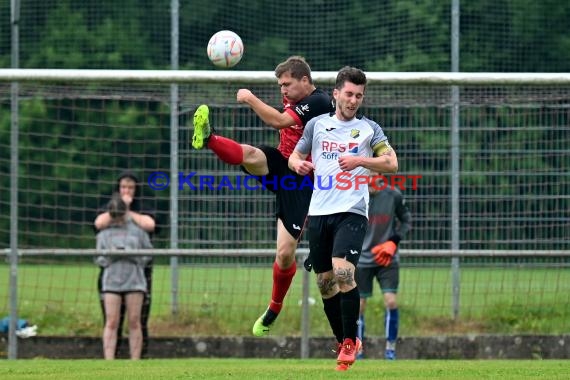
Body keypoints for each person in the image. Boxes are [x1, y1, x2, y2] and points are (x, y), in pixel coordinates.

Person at [191, 56, 334, 336]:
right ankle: (208, 138)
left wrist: (250, 98)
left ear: (305, 80)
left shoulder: (319, 101)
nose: (283, 90)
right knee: (251, 154)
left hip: (305, 180)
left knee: (284, 254)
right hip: (283, 163)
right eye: (280, 85)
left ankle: (274, 309)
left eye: (287, 84)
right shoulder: (295, 98)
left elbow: (279, 122)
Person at [288, 66, 398, 371]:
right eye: (349, 94)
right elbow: (294, 156)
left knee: (343, 272)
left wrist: (361, 160)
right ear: (336, 94)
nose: (353, 100)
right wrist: (297, 164)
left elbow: (391, 162)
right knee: (325, 284)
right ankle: (344, 340)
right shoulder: (316, 126)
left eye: (359, 96)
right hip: (320, 212)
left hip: (352, 211)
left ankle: (350, 341)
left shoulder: (369, 129)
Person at [94, 171, 156, 357]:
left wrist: (128, 211)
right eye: (123, 187)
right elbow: (98, 225)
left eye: (130, 187)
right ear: (118, 188)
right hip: (111, 278)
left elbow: (151, 227)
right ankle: (110, 359)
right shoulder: (106, 224)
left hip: (136, 278)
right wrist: (117, 209)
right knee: (111, 321)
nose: (127, 191)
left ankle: (137, 359)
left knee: (136, 320)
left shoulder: (142, 209)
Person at [356, 173, 411, 360]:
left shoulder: (393, 195)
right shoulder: (353, 193)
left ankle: (390, 348)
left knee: (391, 301)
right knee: (359, 305)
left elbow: (406, 220)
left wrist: (393, 242)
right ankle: (358, 349)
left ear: (379, 174)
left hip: (386, 258)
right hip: (361, 259)